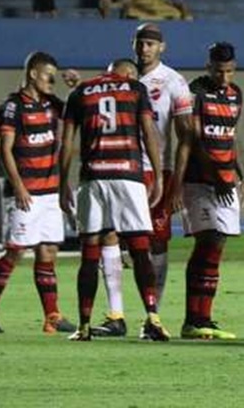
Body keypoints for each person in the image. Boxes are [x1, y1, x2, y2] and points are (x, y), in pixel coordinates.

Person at [92, 24, 193, 337]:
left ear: (161, 47)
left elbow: (185, 136)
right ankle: (115, 314)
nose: (145, 49)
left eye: (151, 43)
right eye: (140, 43)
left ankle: (154, 316)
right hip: (117, 168)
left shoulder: (174, 82)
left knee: (156, 242)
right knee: (108, 235)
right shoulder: (117, 78)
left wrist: (176, 182)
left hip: (154, 172)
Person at [60, 59, 170, 342]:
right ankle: (152, 319)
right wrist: (157, 176)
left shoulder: (81, 91)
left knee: (90, 251)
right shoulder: (135, 88)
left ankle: (84, 326)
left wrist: (62, 183)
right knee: (140, 249)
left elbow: (67, 143)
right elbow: (148, 133)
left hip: (93, 177)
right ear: (128, 73)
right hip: (128, 174)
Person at [0, 52, 77, 335]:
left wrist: (74, 87)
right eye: (49, 76)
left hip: (50, 191)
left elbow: (79, 111)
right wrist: (18, 185)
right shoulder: (12, 107)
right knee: (16, 252)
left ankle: (52, 316)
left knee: (48, 252)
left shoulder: (53, 104)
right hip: (26, 193)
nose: (52, 82)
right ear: (33, 73)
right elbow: (3, 148)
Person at [173, 42, 244, 340]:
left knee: (217, 246)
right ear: (208, 67)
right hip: (200, 181)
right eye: (219, 71)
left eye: (229, 71)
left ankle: (203, 318)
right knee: (208, 241)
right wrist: (178, 184)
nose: (224, 77)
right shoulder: (196, 92)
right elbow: (194, 139)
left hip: (225, 181)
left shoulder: (236, 94)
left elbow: (230, 136)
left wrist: (241, 175)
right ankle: (193, 318)